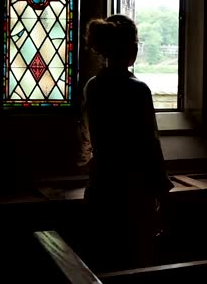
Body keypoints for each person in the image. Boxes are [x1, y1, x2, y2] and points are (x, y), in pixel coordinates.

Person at [78, 14, 173, 272]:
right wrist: (161, 193)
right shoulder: (138, 90)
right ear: (132, 48)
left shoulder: (93, 87)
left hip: (101, 187)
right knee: (136, 263)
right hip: (133, 192)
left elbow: (88, 140)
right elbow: (149, 145)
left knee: (103, 262)